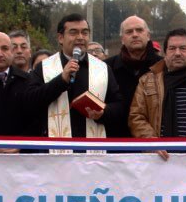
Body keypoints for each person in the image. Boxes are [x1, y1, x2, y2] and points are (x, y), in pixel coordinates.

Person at [23, 13, 122, 144]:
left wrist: (103, 113)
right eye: (73, 33)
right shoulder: (44, 67)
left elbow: (119, 106)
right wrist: (61, 80)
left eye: (85, 33)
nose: (80, 37)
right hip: (55, 148)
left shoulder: (103, 68)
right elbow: (30, 102)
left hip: (92, 148)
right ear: (60, 38)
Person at [128, 28, 186, 160]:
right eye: (172, 48)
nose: (177, 53)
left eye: (183, 48)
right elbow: (136, 116)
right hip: (158, 159)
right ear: (165, 53)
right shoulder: (146, 81)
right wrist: (152, 142)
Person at [106, 16, 162, 138]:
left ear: (148, 35)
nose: (135, 35)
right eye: (129, 32)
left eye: (139, 30)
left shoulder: (163, 67)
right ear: (122, 39)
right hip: (116, 142)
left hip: (155, 143)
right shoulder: (106, 68)